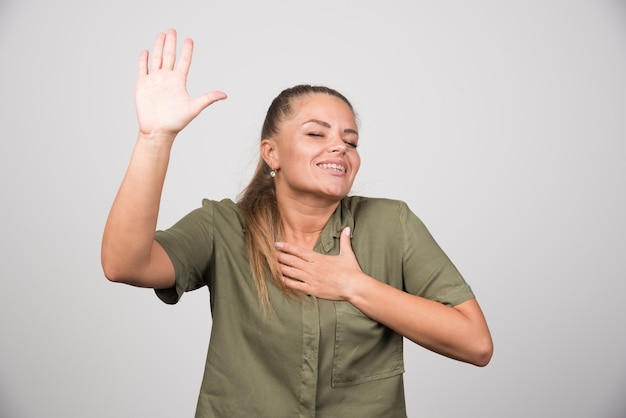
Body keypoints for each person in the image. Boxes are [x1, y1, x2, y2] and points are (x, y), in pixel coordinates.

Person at [101, 28, 493, 418]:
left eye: (350, 140)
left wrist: (354, 286)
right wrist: (154, 139)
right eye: (315, 134)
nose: (340, 146)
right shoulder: (222, 228)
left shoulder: (392, 224)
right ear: (272, 154)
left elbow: (475, 343)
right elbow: (123, 264)